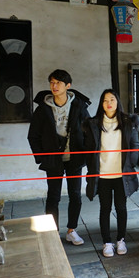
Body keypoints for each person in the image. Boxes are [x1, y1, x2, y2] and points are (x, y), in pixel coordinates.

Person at [28, 69, 90, 245]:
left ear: (68, 86)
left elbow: (89, 132)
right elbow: (33, 135)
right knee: (53, 196)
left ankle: (72, 230)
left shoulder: (79, 106)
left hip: (74, 158)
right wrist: (41, 157)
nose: (54, 86)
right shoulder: (43, 109)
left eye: (58, 83)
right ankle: (52, 232)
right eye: (52, 82)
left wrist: (86, 154)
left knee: (75, 195)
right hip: (53, 159)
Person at [83, 89, 139, 257]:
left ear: (117, 102)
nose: (109, 103)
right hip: (102, 174)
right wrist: (92, 167)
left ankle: (121, 239)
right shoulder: (94, 123)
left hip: (121, 174)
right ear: (101, 104)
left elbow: (135, 145)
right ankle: (107, 242)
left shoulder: (128, 122)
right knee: (105, 208)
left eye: (112, 99)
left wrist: (131, 163)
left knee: (121, 208)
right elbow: (88, 148)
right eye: (105, 100)